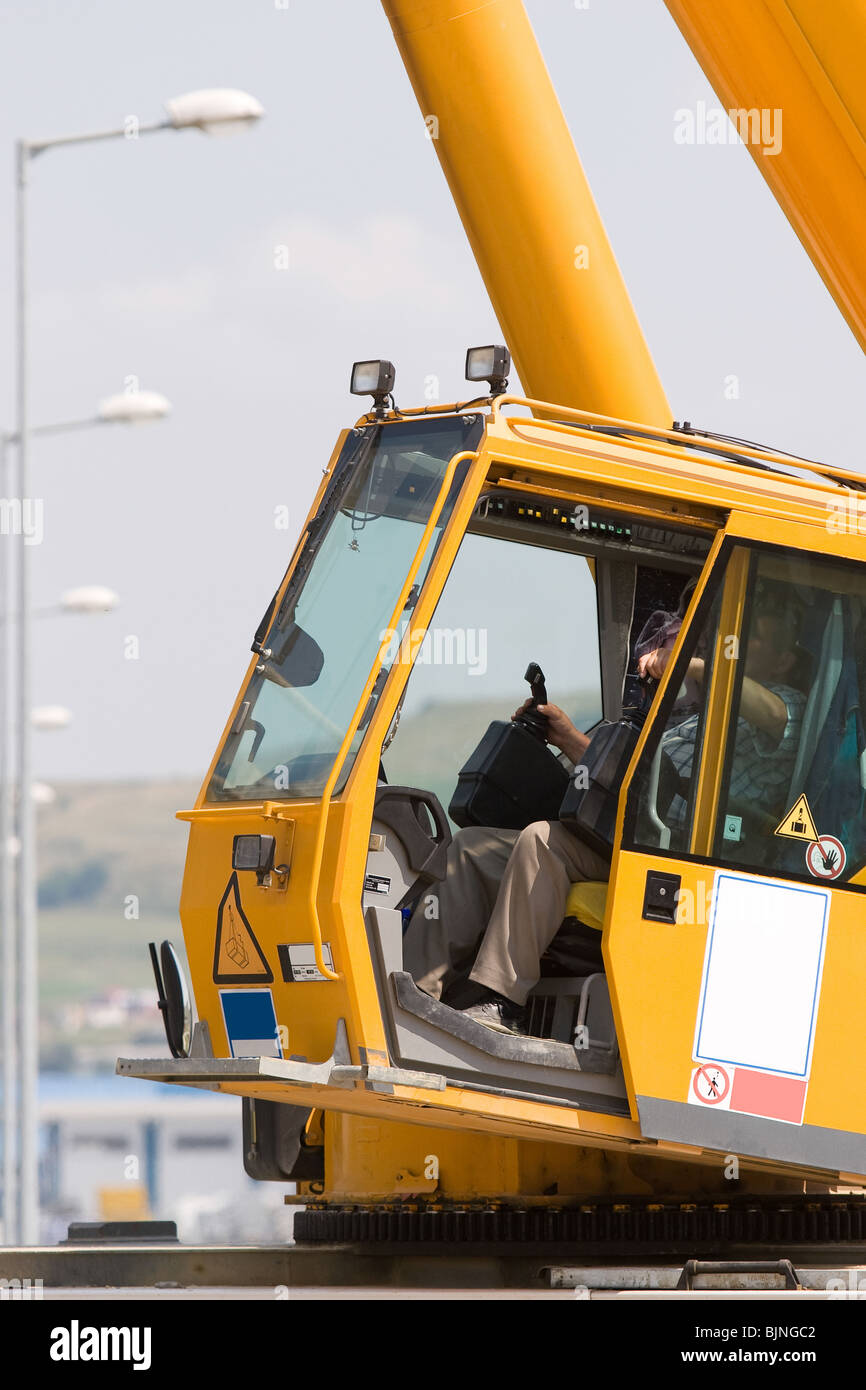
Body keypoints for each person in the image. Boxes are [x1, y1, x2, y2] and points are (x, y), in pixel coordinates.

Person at [402, 593, 808, 1036]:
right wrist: (567, 737)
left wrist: (690, 665)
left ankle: (502, 1003)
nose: (740, 648)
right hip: (628, 835)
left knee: (542, 841)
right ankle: (414, 997)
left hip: (675, 859)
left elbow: (773, 714)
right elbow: (631, 781)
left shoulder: (790, 709)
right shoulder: (701, 717)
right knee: (472, 847)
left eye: (758, 640)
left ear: (787, 660)